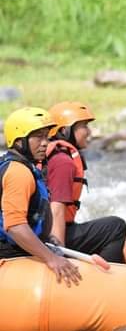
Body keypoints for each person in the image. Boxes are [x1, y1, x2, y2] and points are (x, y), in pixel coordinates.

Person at [0, 108, 81, 285]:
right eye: (38, 137)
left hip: (20, 250)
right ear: (19, 141)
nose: (45, 143)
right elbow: (15, 226)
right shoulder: (18, 173)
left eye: (47, 136)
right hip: (11, 256)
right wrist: (51, 258)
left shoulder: (23, 167)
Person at [43, 102, 126, 263]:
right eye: (84, 126)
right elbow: (57, 210)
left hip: (44, 231)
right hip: (50, 236)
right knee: (115, 226)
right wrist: (58, 255)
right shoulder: (62, 162)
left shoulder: (51, 156)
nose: (89, 132)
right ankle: (111, 279)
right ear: (64, 130)